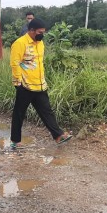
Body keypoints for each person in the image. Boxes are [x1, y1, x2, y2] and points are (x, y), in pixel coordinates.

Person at [10, 18, 72, 150]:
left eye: (43, 32)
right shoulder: (20, 43)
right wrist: (18, 81)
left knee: (46, 111)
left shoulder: (40, 43)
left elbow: (39, 63)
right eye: (39, 32)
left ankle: (58, 135)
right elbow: (15, 63)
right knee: (19, 113)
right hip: (25, 85)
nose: (42, 34)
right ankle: (15, 140)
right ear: (31, 31)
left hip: (39, 84)